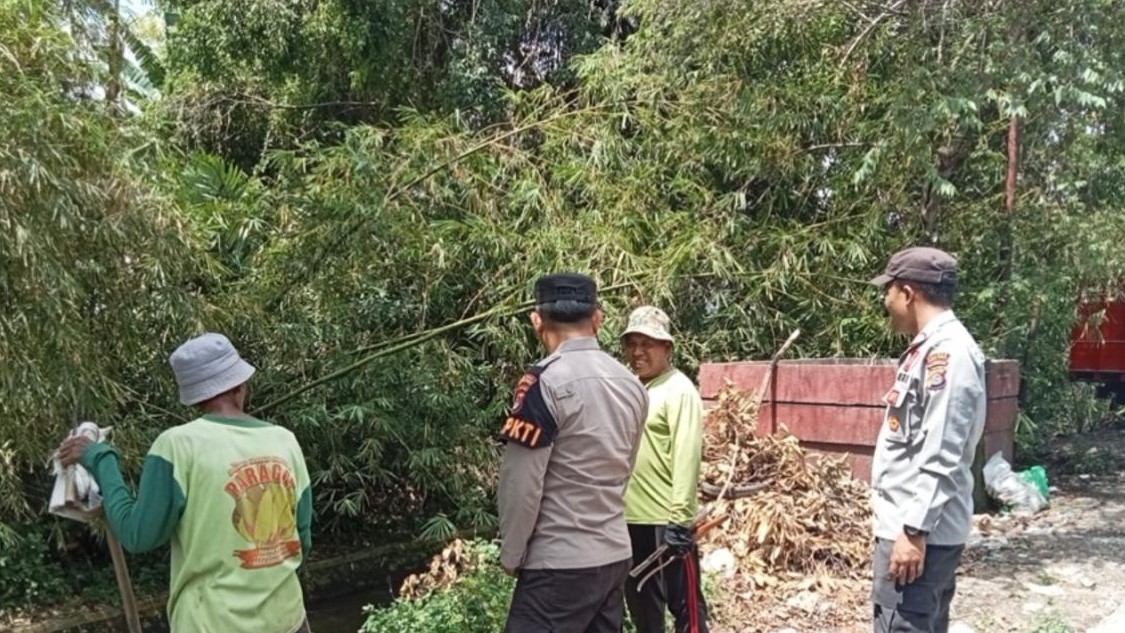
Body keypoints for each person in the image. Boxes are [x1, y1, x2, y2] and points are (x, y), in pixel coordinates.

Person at [58, 333, 313, 633]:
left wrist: (101, 459)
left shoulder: (177, 446)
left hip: (212, 623)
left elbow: (138, 535)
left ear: (193, 397)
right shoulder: (285, 441)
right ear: (240, 385)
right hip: (287, 618)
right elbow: (301, 540)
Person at [497, 273, 649, 633]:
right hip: (613, 556)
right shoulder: (631, 385)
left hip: (558, 564)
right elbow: (624, 469)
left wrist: (512, 553)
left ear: (537, 321)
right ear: (597, 319)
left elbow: (521, 484)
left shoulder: (542, 383)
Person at [868, 247, 987, 633]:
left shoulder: (948, 354)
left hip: (917, 535)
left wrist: (914, 531)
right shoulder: (930, 349)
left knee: (902, 625)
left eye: (888, 291)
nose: (885, 302)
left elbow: (942, 453)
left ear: (907, 293)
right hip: (915, 529)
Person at [621, 306, 709, 633]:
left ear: (667, 348)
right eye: (632, 343)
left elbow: (687, 458)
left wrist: (680, 520)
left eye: (648, 344)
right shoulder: (631, 388)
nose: (638, 352)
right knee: (644, 610)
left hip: (665, 521)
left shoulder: (679, 390)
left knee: (687, 610)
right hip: (629, 521)